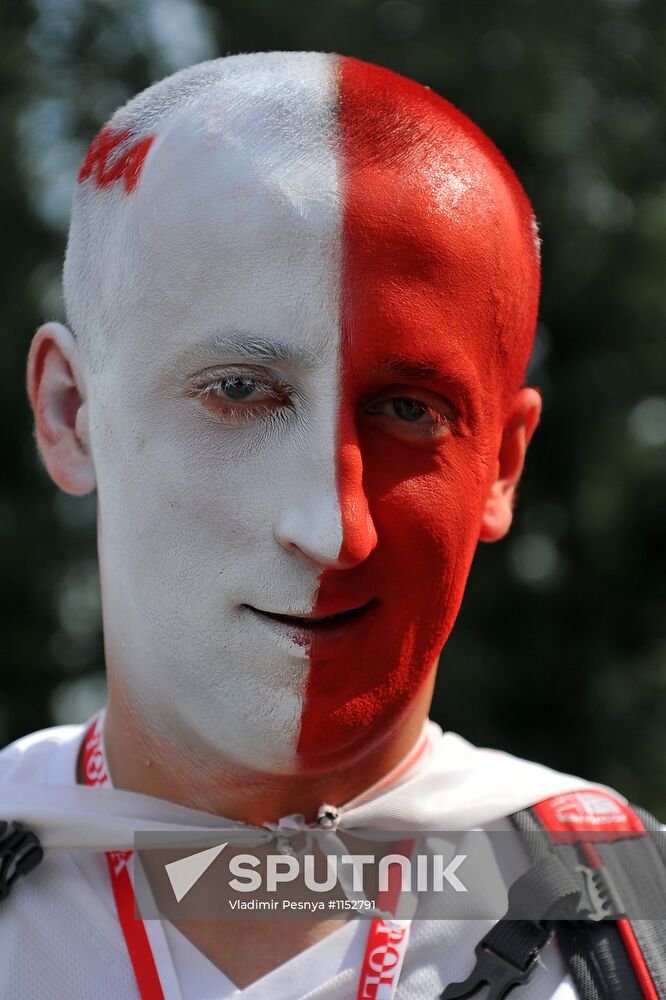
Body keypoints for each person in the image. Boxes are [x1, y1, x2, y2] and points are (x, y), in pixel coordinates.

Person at [0, 51, 662, 999]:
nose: (332, 528)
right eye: (239, 391)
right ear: (71, 412)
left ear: (503, 465)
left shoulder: (637, 924)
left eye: (408, 410)